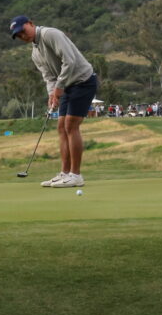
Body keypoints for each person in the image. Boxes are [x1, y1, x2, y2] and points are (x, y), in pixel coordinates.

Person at [11, 15, 98, 189]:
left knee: (71, 125)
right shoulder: (35, 53)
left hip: (83, 81)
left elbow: (70, 60)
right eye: (18, 35)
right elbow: (48, 76)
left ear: (30, 24)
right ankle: (64, 174)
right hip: (66, 85)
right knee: (61, 127)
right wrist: (52, 94)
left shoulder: (50, 34)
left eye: (23, 31)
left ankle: (76, 175)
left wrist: (59, 87)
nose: (22, 36)